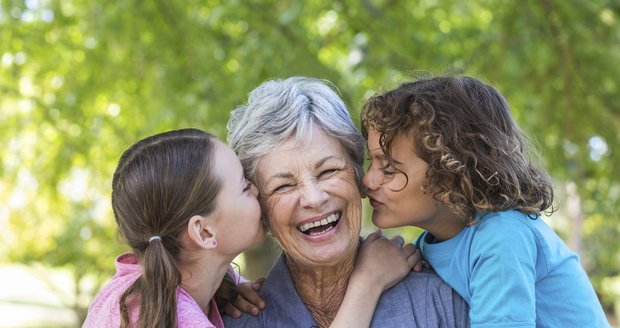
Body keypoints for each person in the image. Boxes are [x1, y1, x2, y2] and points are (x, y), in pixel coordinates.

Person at [83, 128, 416, 328]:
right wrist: (368, 282)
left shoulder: (144, 288)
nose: (258, 191)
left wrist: (226, 285)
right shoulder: (169, 319)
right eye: (245, 187)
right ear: (204, 233)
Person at [361, 75, 610, 327]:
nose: (367, 181)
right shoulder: (429, 246)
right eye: (371, 163)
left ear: (450, 176)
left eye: (389, 169)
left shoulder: (502, 235)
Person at [223, 77, 470, 328]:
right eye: (283, 186)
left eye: (328, 171)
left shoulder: (440, 301)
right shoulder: (230, 322)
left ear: (359, 176)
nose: (314, 198)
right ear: (260, 209)